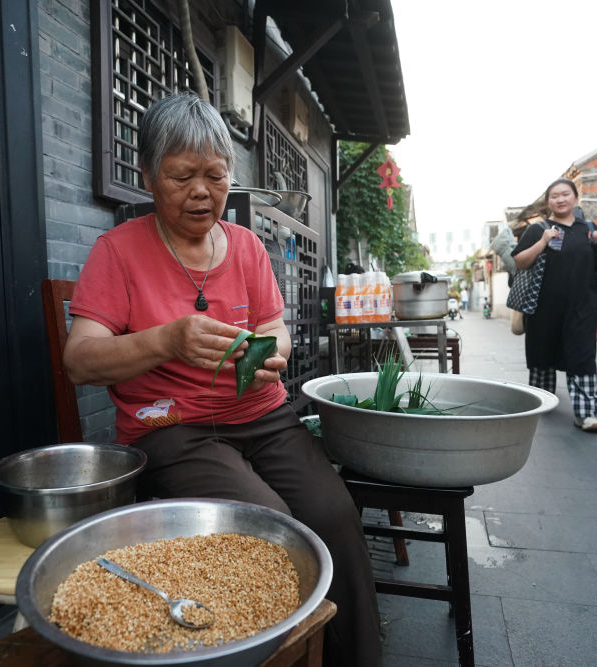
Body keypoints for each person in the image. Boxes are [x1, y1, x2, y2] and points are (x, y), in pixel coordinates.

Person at [63, 93, 382, 666]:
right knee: (270, 525)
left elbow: (276, 328)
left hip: (263, 415)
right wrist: (167, 339)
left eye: (216, 175)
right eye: (182, 175)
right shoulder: (118, 251)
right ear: (148, 177)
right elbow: (79, 359)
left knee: (334, 513)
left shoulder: (248, 248)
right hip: (173, 429)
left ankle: (353, 659)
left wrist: (272, 353)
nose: (202, 192)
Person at [511, 178, 597, 432]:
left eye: (565, 194)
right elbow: (520, 262)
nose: (560, 199)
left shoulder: (588, 228)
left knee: (582, 357)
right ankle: (542, 402)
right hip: (543, 308)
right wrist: (543, 241)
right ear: (548, 202)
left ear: (575, 197)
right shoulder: (538, 229)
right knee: (542, 355)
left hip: (582, 306)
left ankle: (586, 413)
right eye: (554, 196)